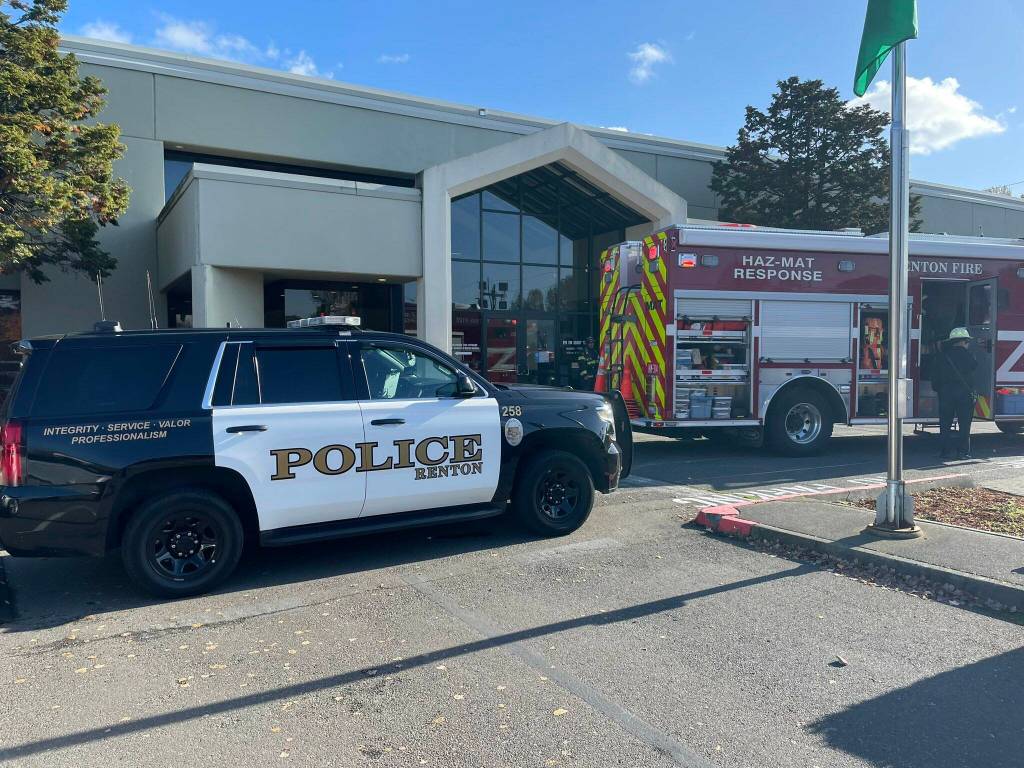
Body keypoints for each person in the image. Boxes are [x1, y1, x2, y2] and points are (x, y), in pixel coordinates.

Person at [932, 327, 978, 460]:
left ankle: (945, 452)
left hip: (946, 393)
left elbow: (935, 377)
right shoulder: (969, 356)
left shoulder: (942, 356)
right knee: (964, 424)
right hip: (964, 394)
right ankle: (963, 452)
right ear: (963, 341)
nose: (968, 344)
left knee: (945, 423)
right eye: (967, 342)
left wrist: (940, 390)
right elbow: (974, 368)